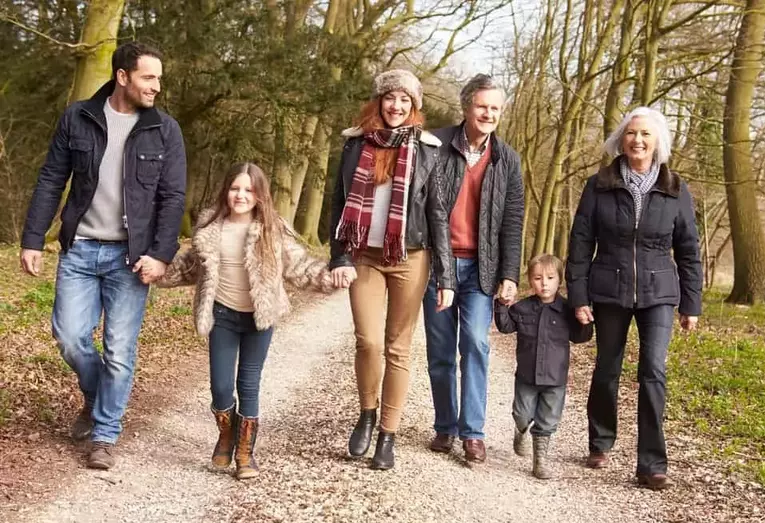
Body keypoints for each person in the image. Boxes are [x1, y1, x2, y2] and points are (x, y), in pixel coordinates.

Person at [19, 42, 186, 470]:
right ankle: (96, 397)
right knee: (70, 337)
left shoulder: (165, 130)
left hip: (130, 258)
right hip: (79, 249)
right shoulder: (79, 116)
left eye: (159, 79)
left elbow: (172, 198)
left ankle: (105, 435)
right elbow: (52, 177)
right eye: (149, 77)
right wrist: (33, 238)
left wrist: (162, 254)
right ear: (123, 76)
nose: (157, 87)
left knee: (119, 351)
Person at [158, 162, 334, 480]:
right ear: (226, 191)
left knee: (248, 384)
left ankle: (244, 453)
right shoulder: (210, 227)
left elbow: (299, 267)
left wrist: (331, 277)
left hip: (258, 319)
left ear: (259, 195)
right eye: (235, 188)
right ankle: (226, 434)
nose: (240, 195)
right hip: (222, 315)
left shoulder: (272, 229)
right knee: (221, 387)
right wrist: (156, 271)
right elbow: (187, 267)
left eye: (248, 190)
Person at [566, 106, 702, 490]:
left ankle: (651, 463)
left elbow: (689, 250)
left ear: (658, 142)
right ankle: (600, 440)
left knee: (653, 372)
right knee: (607, 369)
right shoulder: (599, 184)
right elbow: (580, 243)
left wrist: (691, 303)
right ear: (620, 140)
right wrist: (579, 295)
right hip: (609, 286)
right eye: (630, 133)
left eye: (645, 135)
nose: (637, 141)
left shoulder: (676, 189)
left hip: (660, 292)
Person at [329, 69, 454, 471]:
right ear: (378, 102)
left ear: (414, 106)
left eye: (404, 100)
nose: (396, 106)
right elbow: (338, 202)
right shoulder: (355, 145)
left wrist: (446, 276)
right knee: (367, 340)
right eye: (389, 98)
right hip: (363, 255)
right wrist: (339, 256)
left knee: (398, 348)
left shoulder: (430, 150)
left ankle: (388, 433)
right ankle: (367, 413)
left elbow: (437, 214)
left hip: (410, 257)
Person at [423, 73, 524, 464]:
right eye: (482, 106)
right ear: (466, 107)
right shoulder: (435, 145)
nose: (489, 113)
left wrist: (510, 274)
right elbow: (422, 205)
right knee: (441, 349)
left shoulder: (507, 160)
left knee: (477, 344)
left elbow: (513, 220)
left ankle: (473, 432)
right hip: (438, 265)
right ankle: (445, 426)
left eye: (495, 108)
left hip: (482, 270)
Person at [494, 254, 592, 479]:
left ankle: (540, 461)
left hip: (554, 378)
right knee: (521, 414)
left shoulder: (568, 310)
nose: (544, 283)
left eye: (550, 278)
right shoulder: (522, 308)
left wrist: (585, 320)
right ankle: (520, 431)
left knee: (548, 420)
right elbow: (506, 327)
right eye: (538, 278)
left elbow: (580, 337)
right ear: (530, 280)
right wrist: (502, 305)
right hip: (527, 376)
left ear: (560, 280)